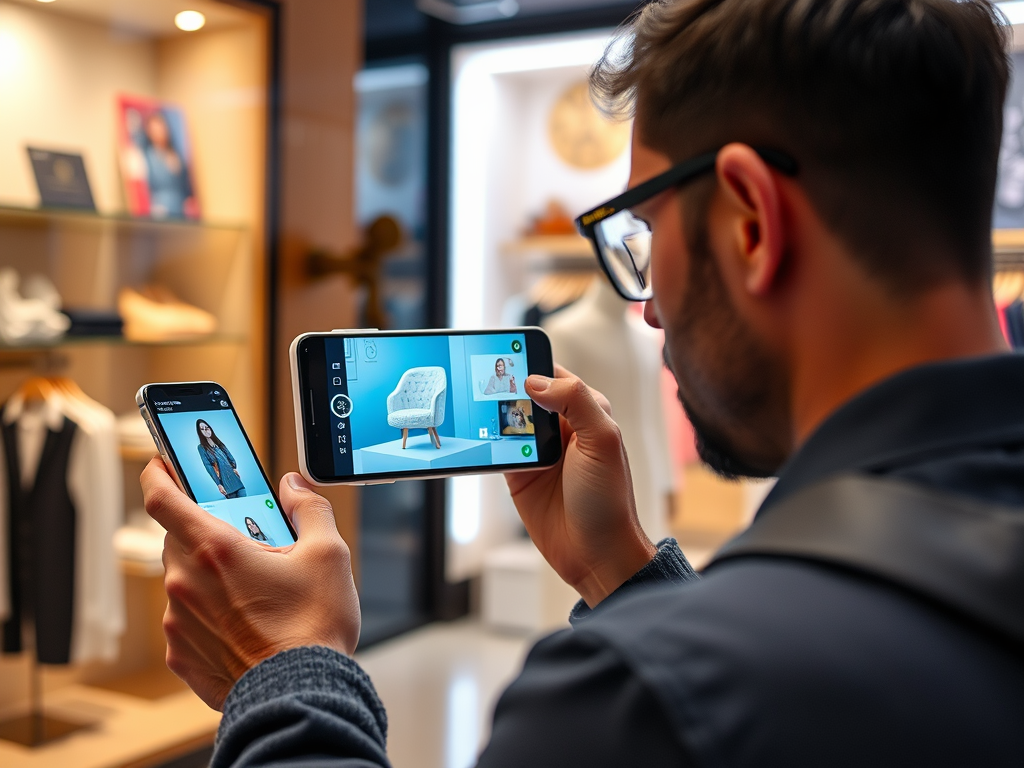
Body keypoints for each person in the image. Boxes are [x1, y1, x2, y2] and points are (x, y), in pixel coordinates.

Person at [142, 0, 1024, 765]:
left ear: (751, 221)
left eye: (644, 232)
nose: (648, 309)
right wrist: (627, 579)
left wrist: (286, 673)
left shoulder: (631, 704)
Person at [196, 419, 246, 499]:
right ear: (200, 432)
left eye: (207, 428)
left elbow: (230, 457)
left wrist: (233, 467)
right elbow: (208, 467)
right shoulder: (201, 448)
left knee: (245, 500)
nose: (205, 430)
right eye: (202, 429)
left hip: (236, 480)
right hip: (225, 484)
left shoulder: (218, 443)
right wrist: (218, 484)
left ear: (210, 428)